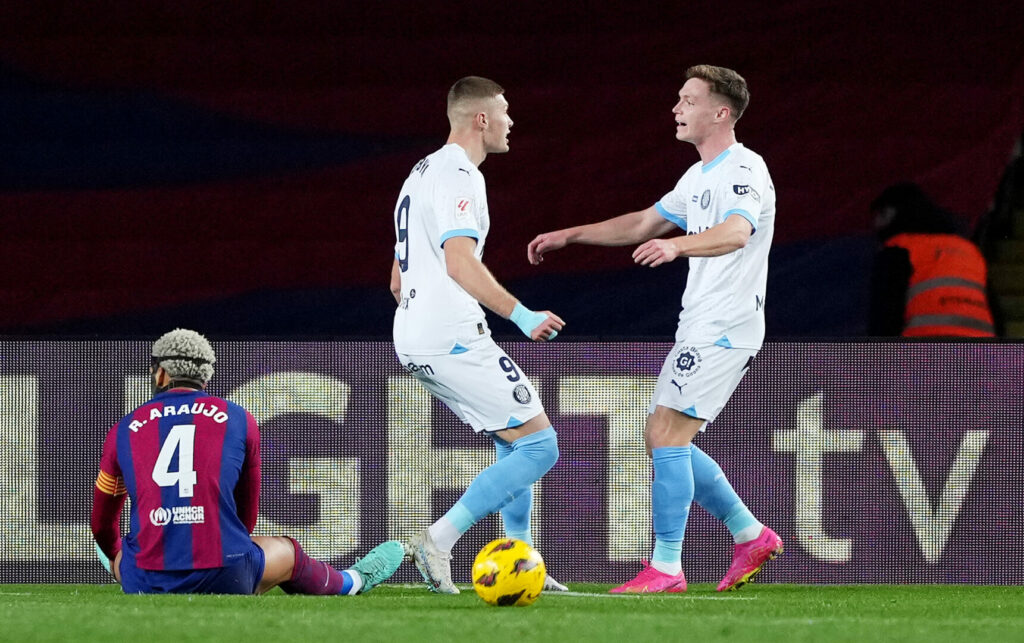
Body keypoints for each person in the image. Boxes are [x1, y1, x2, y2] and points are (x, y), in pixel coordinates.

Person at [527, 65, 782, 593]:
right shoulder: (698, 176)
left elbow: (736, 231)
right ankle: (749, 533)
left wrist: (678, 245)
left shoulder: (744, 169)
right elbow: (644, 223)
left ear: (721, 112)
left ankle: (667, 567)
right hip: (703, 322)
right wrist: (570, 234)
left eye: (688, 100)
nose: (676, 108)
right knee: (662, 436)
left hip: (726, 324)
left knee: (665, 433)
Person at [390, 76, 566, 594]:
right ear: (481, 119)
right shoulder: (460, 174)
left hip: (415, 333)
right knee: (541, 446)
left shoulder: (418, 173)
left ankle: (519, 558)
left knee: (511, 440)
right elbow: (459, 261)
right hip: (449, 334)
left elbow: (398, 279)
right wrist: (522, 314)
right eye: (506, 113)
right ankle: (438, 539)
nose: (512, 123)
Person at [91, 328, 404, 595]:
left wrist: (120, 555)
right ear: (206, 375)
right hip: (225, 573)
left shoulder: (123, 428)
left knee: (125, 553)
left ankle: (121, 565)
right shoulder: (238, 418)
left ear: (161, 372)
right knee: (289, 554)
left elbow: (101, 524)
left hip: (145, 578)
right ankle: (353, 581)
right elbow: (247, 515)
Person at [869, 182, 996, 337]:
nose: (874, 224)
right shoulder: (968, 250)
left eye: (878, 216)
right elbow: (993, 308)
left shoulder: (899, 250)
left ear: (889, 213)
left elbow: (885, 315)